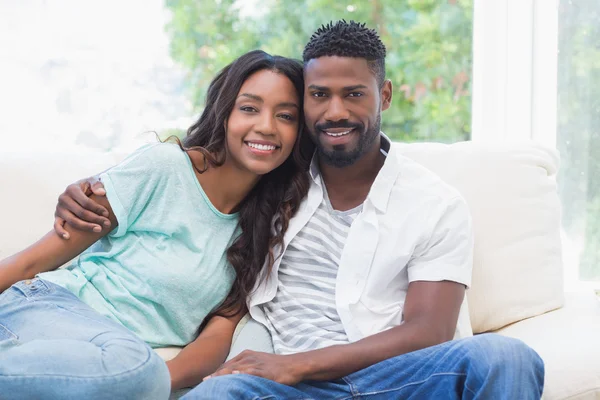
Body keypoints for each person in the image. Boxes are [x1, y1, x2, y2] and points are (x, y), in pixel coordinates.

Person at [53, 21, 545, 400]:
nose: (335, 111)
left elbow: (429, 331)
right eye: (318, 95)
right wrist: (94, 191)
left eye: (354, 94)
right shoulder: (275, 177)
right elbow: (195, 170)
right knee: (222, 392)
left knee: (507, 357)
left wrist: (301, 365)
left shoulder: (435, 204)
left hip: (387, 382)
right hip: (279, 386)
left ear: (385, 96)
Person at [0, 50, 310, 400]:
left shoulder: (266, 228)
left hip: (112, 363)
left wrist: (149, 383)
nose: (266, 126)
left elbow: (217, 336)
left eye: (285, 116)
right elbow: (34, 261)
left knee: (135, 369)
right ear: (224, 113)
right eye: (249, 108)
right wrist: (140, 378)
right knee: (133, 366)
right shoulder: (163, 167)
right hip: (48, 310)